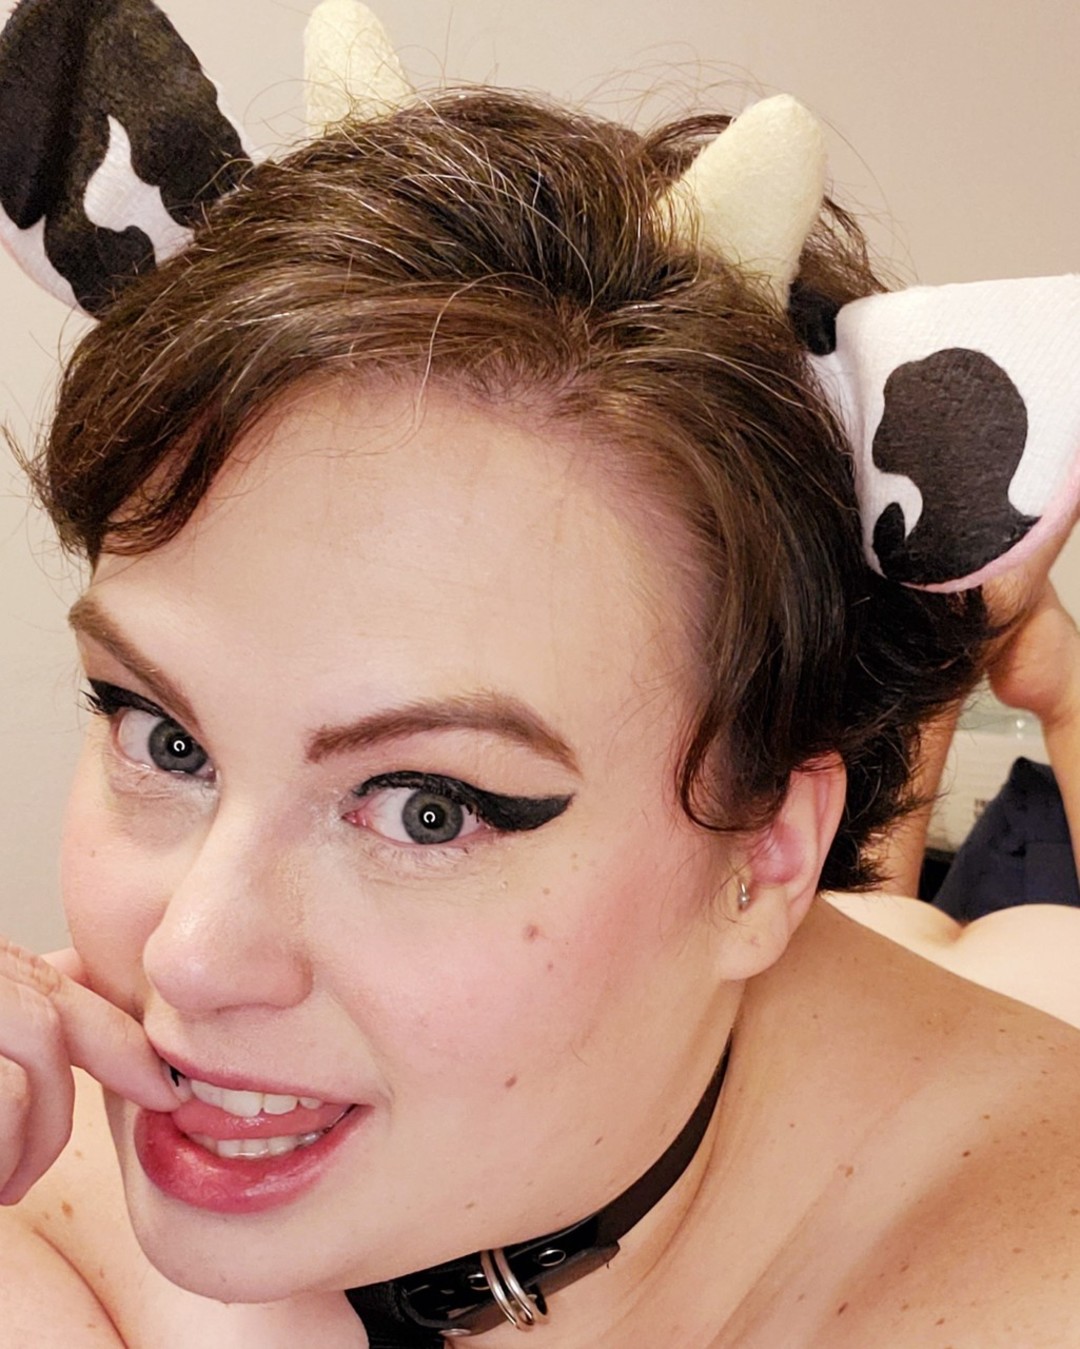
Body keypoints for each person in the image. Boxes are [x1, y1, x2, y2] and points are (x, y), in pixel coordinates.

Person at [2, 76, 1080, 1349]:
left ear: (766, 851)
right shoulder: (44, 1201)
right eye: (165, 738)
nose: (187, 958)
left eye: (427, 807)